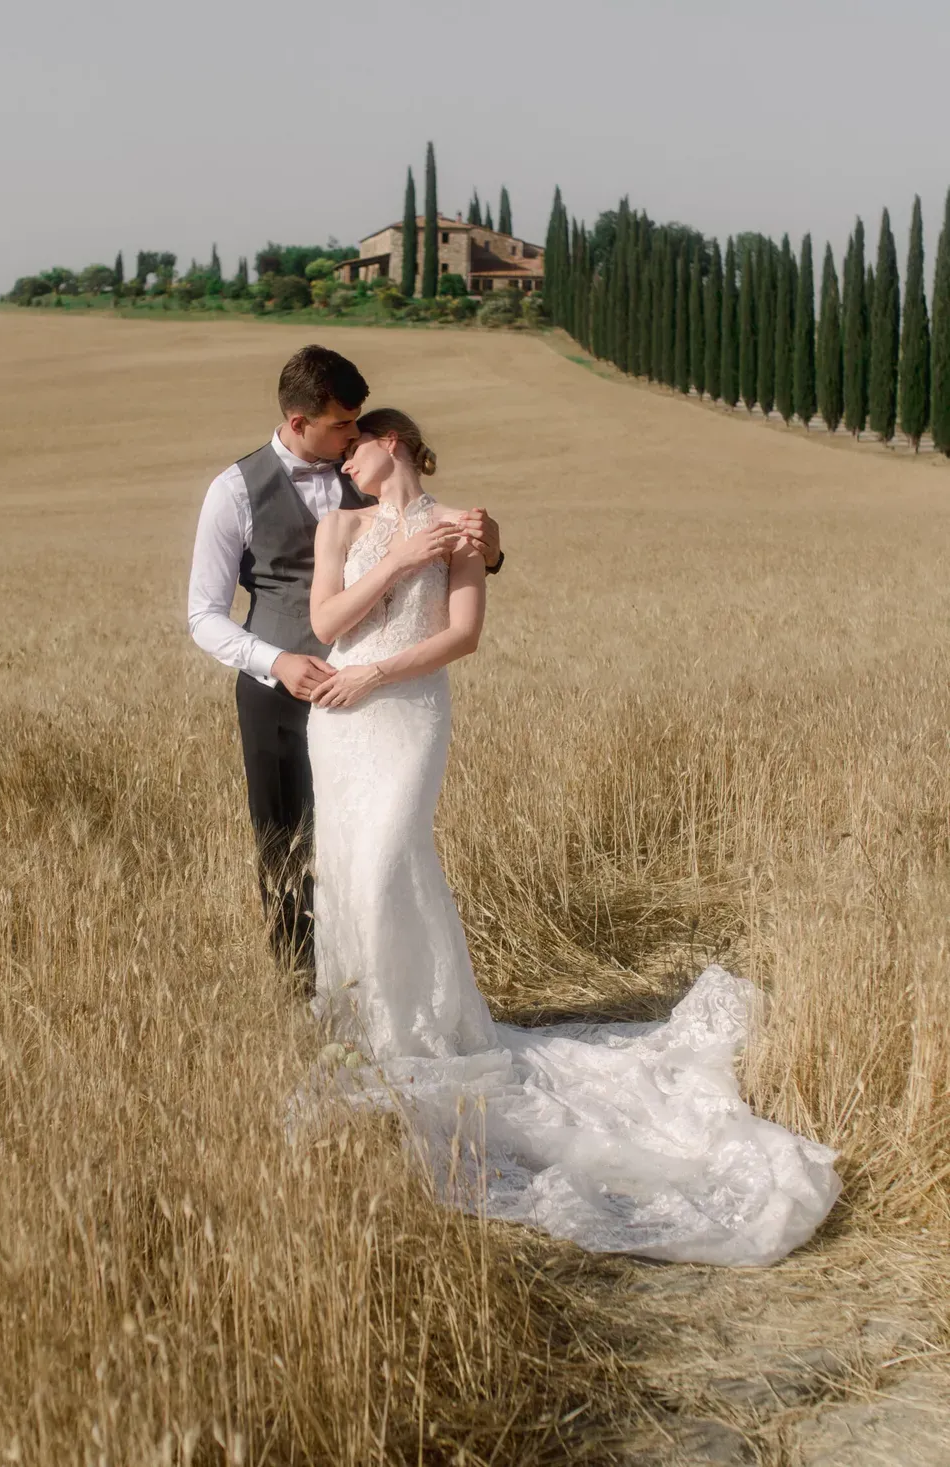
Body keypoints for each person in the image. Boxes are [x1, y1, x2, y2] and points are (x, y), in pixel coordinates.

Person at [304, 407, 842, 1267]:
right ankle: (370, 1023)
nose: (345, 465)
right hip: (338, 722)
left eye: (355, 449)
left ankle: (422, 1030)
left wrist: (380, 661)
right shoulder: (339, 524)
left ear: (392, 440)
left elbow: (463, 635)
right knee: (352, 870)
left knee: (390, 857)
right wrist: (396, 567)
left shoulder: (463, 526)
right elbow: (327, 624)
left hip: (407, 715)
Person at [187, 346, 502, 981]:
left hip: (382, 698)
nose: (352, 438)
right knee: (285, 846)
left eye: (359, 426)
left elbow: (444, 549)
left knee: (371, 847)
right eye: (340, 426)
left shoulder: (364, 467)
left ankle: (383, 988)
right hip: (277, 696)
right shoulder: (232, 492)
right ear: (298, 420)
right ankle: (304, 993)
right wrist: (276, 662)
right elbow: (202, 615)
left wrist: (490, 550)